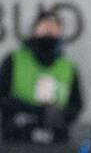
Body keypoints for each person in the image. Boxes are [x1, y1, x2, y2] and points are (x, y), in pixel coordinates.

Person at [0, 10, 83, 144]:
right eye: (45, 25)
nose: (49, 29)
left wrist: (56, 114)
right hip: (17, 137)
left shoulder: (67, 67)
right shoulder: (14, 60)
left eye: (54, 26)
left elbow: (76, 105)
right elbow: (3, 96)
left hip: (55, 138)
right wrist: (37, 110)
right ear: (34, 30)